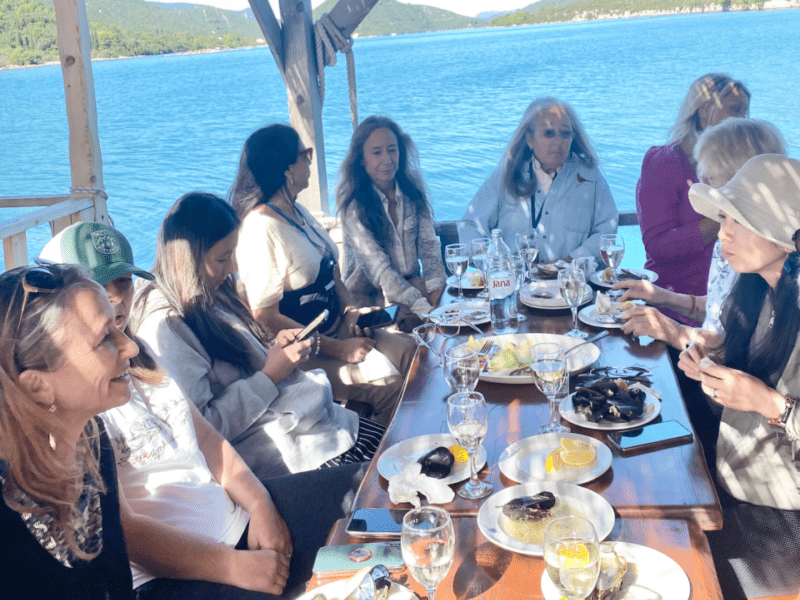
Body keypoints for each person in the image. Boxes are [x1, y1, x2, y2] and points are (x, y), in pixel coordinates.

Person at [38, 222, 367, 599]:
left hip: (233, 517)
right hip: (174, 570)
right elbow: (127, 531)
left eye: (124, 284)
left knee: (372, 495)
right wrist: (233, 566)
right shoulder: (77, 393)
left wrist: (260, 505)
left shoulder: (139, 349)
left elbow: (208, 440)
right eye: (102, 287)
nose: (116, 301)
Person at [131, 192, 384, 481]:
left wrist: (273, 349)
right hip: (293, 454)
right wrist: (269, 375)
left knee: (404, 459)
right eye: (223, 258)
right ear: (188, 259)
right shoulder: (167, 325)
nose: (233, 269)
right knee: (385, 496)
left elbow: (237, 365)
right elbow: (203, 429)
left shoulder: (210, 293)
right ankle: (386, 523)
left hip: (317, 422)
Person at [231, 124, 414, 425]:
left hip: (338, 325)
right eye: (305, 154)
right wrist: (338, 349)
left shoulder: (298, 212)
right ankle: (380, 458)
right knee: (389, 386)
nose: (310, 159)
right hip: (306, 351)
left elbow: (335, 275)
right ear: (287, 167)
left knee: (411, 353)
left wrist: (351, 311)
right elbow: (264, 314)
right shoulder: (259, 229)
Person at [679, 155, 800, 600]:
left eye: (740, 220)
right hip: (733, 488)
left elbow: (767, 407)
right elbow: (734, 412)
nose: (724, 232)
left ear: (788, 236)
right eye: (725, 217)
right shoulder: (757, 294)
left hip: (783, 522)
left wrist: (770, 403)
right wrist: (709, 373)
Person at [0, 264, 136, 599]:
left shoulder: (91, 440)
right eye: (105, 337)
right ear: (37, 388)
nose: (130, 347)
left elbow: (117, 583)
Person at [617, 118, 787, 349]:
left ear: (740, 171)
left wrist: (675, 332)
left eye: (710, 173)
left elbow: (746, 351)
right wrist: (659, 296)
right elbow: (722, 310)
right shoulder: (731, 237)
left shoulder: (769, 253)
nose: (702, 180)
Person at [636, 73, 750, 325]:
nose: (743, 120)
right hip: (672, 305)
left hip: (729, 305)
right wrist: (726, 215)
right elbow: (659, 246)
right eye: (735, 110)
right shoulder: (663, 162)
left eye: (746, 112)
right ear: (703, 109)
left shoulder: (741, 168)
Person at [458, 97, 618, 264]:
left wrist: (570, 261)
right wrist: (493, 263)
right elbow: (470, 225)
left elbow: (607, 230)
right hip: (517, 283)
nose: (558, 142)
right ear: (530, 139)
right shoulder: (505, 176)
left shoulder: (589, 176)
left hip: (572, 282)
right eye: (549, 133)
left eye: (565, 134)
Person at [336, 116, 446, 330]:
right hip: (370, 303)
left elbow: (430, 251)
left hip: (410, 288)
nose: (387, 160)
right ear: (361, 158)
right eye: (376, 153)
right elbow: (381, 272)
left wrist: (438, 301)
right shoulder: (354, 206)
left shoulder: (413, 191)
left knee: (457, 316)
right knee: (417, 327)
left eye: (392, 150)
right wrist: (424, 309)